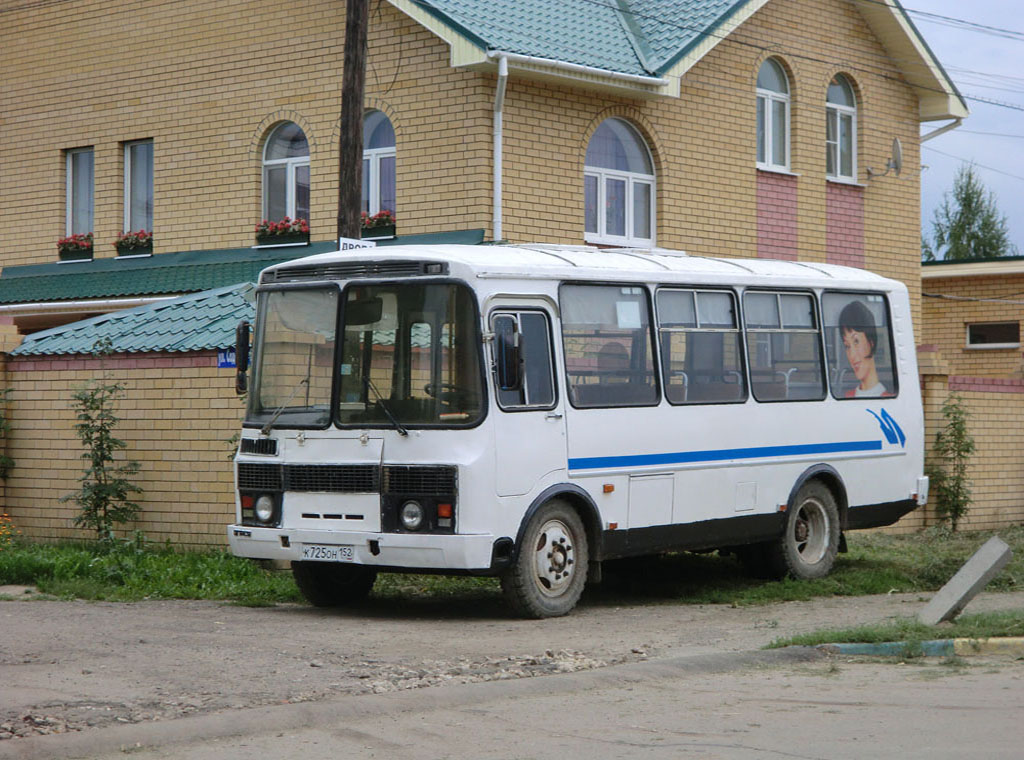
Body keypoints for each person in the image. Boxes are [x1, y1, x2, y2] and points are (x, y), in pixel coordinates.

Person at [838, 300, 890, 398]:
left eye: (856, 341)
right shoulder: (847, 396)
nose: (852, 355)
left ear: (871, 342)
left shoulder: (888, 397)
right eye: (847, 346)